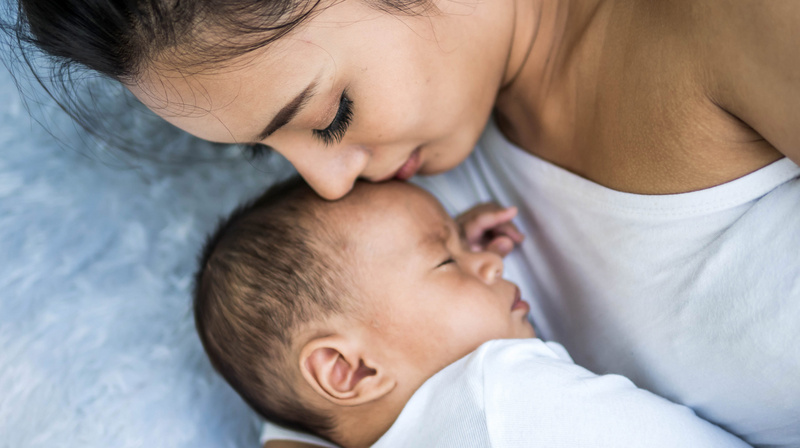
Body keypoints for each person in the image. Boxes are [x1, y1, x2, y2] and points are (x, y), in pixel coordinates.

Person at [13, 0, 800, 446]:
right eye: (265, 150)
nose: (325, 180)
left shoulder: (741, 23)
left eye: (328, 115)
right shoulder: (381, 221)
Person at [194, 177, 748, 448]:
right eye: (448, 259)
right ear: (351, 371)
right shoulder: (503, 398)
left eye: (464, 240)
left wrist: (443, 254)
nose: (488, 262)